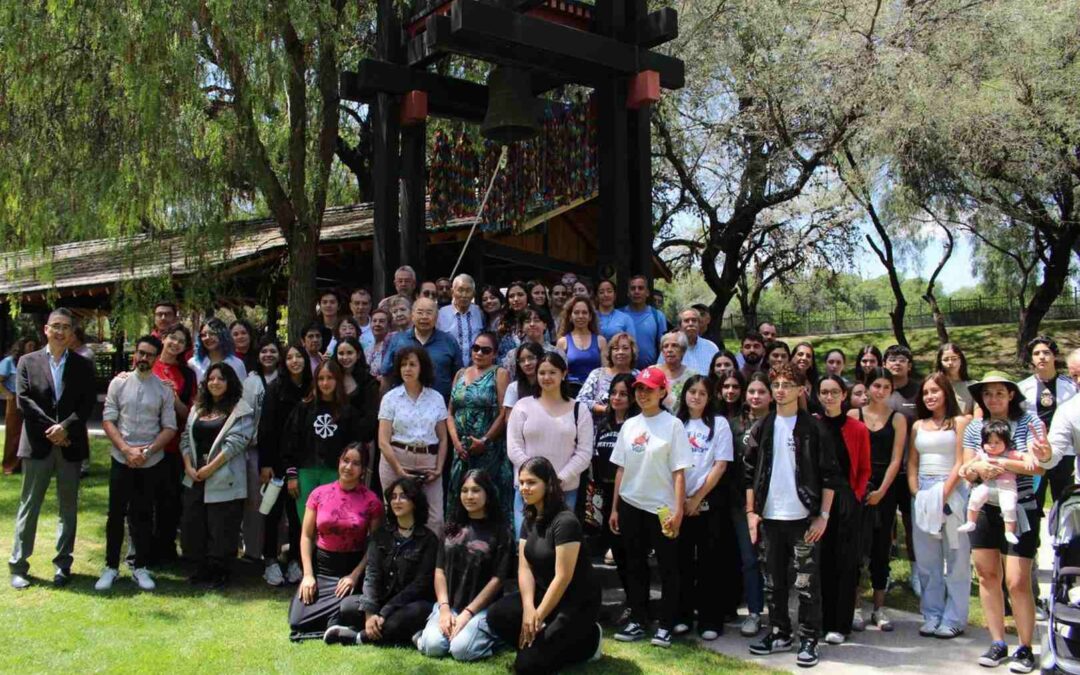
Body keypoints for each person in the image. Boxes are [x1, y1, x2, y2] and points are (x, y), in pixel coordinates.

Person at [744, 364, 841, 668]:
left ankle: (809, 638)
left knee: (806, 584)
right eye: (777, 384)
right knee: (773, 582)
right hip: (770, 518)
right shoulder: (763, 426)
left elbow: (830, 476)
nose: (781, 389)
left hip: (804, 519)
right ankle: (779, 632)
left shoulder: (814, 428)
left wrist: (823, 515)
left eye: (788, 384)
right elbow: (749, 474)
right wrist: (751, 512)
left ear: (801, 389)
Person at [960, 371, 1055, 672]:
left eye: (1000, 393)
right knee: (988, 576)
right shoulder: (975, 427)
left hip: (1020, 507)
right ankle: (998, 641)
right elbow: (966, 467)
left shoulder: (1030, 422)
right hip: (984, 508)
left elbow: (1039, 466)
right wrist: (977, 469)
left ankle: (1025, 647)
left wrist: (998, 463)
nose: (993, 399)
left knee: (1017, 581)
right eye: (987, 394)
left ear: (1011, 394)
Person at [487, 457, 603, 673]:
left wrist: (537, 616)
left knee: (526, 667)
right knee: (496, 615)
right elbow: (524, 568)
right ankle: (539, 643)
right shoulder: (529, 517)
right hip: (544, 594)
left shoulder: (565, 521)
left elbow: (563, 577)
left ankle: (590, 641)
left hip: (574, 602)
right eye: (521, 482)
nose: (524, 488)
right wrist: (529, 608)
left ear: (548, 484)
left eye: (531, 482)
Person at [8, 309, 96, 590]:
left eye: (66, 327)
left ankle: (63, 565)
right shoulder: (27, 361)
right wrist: (53, 429)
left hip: (70, 445)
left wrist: (65, 428)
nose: (60, 331)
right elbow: (24, 402)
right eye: (55, 326)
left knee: (67, 508)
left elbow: (86, 404)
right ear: (45, 329)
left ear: (72, 332)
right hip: (37, 444)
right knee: (29, 505)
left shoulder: (82, 365)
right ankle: (19, 566)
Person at [610, 366, 692, 648]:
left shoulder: (673, 425)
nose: (643, 394)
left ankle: (666, 624)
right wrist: (615, 508)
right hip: (631, 504)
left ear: (662, 392)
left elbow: (679, 471)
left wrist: (678, 510)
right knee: (635, 566)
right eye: (639, 389)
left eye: (649, 389)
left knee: (669, 568)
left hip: (662, 509)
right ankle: (638, 619)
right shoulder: (630, 425)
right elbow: (621, 468)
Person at [96, 335, 177, 592]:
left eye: (149, 354)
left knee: (143, 515)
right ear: (135, 354)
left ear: (156, 358)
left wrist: (147, 451)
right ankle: (110, 567)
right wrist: (126, 450)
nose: (144, 358)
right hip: (122, 458)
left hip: (151, 461)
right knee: (115, 515)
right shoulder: (118, 384)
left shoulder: (163, 389)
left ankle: (140, 566)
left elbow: (170, 427)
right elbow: (108, 420)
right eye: (140, 353)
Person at [323, 477, 439, 646]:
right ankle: (400, 635)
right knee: (347, 606)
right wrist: (370, 613)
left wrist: (384, 612)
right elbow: (372, 573)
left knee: (406, 617)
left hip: (409, 604)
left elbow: (420, 585)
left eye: (403, 496)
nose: (397, 501)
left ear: (415, 502)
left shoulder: (429, 540)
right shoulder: (380, 535)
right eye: (393, 497)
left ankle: (359, 637)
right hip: (382, 601)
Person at [288, 444, 384, 637]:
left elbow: (375, 544)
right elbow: (306, 536)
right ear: (339, 462)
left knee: (348, 608)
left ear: (363, 470)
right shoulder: (318, 494)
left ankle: (339, 622)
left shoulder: (372, 501)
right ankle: (337, 624)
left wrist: (354, 575)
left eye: (356, 463)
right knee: (296, 621)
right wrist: (308, 575)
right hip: (323, 570)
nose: (348, 467)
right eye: (345, 461)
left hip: (352, 572)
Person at [417, 469, 512, 662]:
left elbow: (498, 580)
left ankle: (497, 637)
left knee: (462, 651)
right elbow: (439, 571)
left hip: (482, 609)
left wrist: (468, 614)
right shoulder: (450, 528)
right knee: (433, 647)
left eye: (476, 490)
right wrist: (444, 608)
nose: (469, 496)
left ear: (488, 493)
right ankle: (426, 635)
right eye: (465, 490)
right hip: (449, 606)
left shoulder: (502, 532)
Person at [179, 362, 255, 588]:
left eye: (221, 378)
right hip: (195, 475)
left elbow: (237, 443)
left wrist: (210, 468)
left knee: (222, 526)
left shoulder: (241, 409)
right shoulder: (197, 408)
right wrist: (188, 467)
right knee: (195, 523)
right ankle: (200, 568)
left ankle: (220, 571)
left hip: (224, 475)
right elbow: (185, 438)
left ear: (230, 382)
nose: (215, 382)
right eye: (211, 378)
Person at [908, 373, 970, 639]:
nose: (930, 396)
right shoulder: (917, 426)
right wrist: (916, 493)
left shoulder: (959, 423)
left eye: (935, 391)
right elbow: (911, 463)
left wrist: (942, 495)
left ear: (945, 392)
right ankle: (932, 614)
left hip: (952, 493)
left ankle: (954, 617)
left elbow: (960, 461)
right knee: (927, 559)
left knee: (956, 558)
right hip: (922, 493)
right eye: (925, 393)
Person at [673, 375, 734, 640]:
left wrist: (696, 498)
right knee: (682, 563)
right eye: (692, 391)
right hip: (679, 504)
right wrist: (681, 502)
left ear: (710, 398)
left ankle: (711, 620)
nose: (696, 397)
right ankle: (683, 615)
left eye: (702, 393)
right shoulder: (676, 424)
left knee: (711, 564)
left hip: (708, 503)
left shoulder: (719, 424)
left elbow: (720, 465)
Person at [507, 352, 593, 536]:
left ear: (563, 374)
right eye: (542, 373)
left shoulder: (580, 409)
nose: (546, 377)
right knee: (524, 544)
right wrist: (535, 479)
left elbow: (584, 452)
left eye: (552, 372)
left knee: (558, 544)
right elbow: (514, 448)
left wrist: (557, 480)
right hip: (526, 490)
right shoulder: (522, 406)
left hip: (564, 490)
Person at [848, 367, 906, 631]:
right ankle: (856, 605)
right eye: (876, 386)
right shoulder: (853, 415)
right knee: (856, 547)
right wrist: (859, 488)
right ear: (867, 387)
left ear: (891, 390)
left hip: (885, 487)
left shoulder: (898, 419)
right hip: (858, 486)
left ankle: (879, 607)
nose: (880, 391)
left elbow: (897, 459)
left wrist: (882, 490)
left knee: (881, 548)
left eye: (886, 387)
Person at [815, 375, 871, 645]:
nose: (829, 397)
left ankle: (840, 624)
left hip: (847, 501)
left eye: (834, 392)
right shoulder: (813, 425)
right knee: (822, 562)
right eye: (824, 392)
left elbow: (864, 468)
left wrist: (856, 496)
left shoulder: (857, 428)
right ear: (817, 395)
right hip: (818, 503)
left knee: (846, 563)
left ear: (843, 395)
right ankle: (822, 621)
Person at [284, 360, 374, 522]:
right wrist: (292, 475)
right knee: (307, 522)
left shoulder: (348, 412)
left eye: (330, 378)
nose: (325, 383)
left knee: (332, 520)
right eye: (321, 378)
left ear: (338, 380)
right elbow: (291, 441)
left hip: (335, 473)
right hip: (306, 473)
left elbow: (356, 445)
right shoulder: (304, 408)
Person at [377, 347, 449, 533]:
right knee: (396, 515)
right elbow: (383, 441)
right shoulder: (390, 399)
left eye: (412, 364)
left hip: (429, 464)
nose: (407, 369)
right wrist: (399, 471)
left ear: (422, 367)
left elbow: (443, 438)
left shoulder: (436, 398)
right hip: (395, 461)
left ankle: (433, 562)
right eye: (403, 365)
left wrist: (439, 468)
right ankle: (397, 559)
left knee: (435, 519)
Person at [257, 343, 311, 586]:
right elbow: (265, 428)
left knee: (298, 513)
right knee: (273, 512)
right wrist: (265, 463)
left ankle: (295, 561)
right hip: (277, 462)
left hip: (304, 461)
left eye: (299, 356)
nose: (295, 361)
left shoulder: (312, 387)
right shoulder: (275, 388)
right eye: (290, 357)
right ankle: (269, 560)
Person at [447, 332, 511, 520]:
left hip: (488, 450)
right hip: (461, 450)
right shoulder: (460, 373)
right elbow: (450, 412)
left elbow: (503, 412)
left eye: (485, 350)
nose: (479, 353)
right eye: (476, 348)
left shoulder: (499, 373)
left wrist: (484, 440)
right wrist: (456, 443)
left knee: (486, 497)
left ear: (494, 353)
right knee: (459, 498)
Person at [589, 373, 637, 621]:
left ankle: (636, 604)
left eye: (623, 394)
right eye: (613, 394)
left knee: (628, 552)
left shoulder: (635, 425)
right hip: (603, 493)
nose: (617, 398)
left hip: (628, 494)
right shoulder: (603, 424)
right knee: (615, 553)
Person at [728, 371, 772, 636]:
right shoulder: (734, 425)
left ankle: (780, 614)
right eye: (752, 392)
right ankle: (754, 613)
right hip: (741, 504)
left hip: (776, 503)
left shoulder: (781, 423)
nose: (756, 396)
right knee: (749, 560)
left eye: (761, 392)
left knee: (777, 561)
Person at [1019, 336, 1077, 506]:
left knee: (1066, 501)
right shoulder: (1022, 388)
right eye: (1036, 353)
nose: (1042, 357)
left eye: (1046, 352)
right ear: (1031, 359)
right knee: (1034, 501)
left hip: (1066, 452)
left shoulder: (1072, 386)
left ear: (1055, 356)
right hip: (1034, 452)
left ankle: (1064, 533)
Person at [239, 335, 282, 562]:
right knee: (254, 502)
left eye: (273, 351)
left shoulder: (284, 378)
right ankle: (253, 550)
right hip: (255, 449)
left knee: (278, 502)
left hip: (281, 450)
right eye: (264, 351)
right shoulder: (251, 381)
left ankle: (276, 550)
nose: (268, 355)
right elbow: (245, 415)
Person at [382, 297, 463, 402]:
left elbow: (459, 376)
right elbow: (386, 375)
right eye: (420, 312)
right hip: (403, 406)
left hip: (441, 407)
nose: (424, 317)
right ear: (412, 315)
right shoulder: (398, 340)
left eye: (429, 313)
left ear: (437, 316)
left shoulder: (449, 341)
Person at [959, 420, 1024, 544]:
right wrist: (964, 468)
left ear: (1006, 442)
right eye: (988, 442)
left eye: (997, 442)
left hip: (1006, 487)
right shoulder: (983, 455)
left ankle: (1009, 531)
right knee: (975, 498)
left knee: (1009, 507)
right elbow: (970, 462)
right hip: (987, 485)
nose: (992, 446)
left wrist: (1030, 460)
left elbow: (1024, 457)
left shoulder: (1010, 454)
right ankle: (971, 522)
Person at [576, 331, 638, 421]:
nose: (620, 352)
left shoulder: (639, 376)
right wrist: (605, 409)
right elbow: (580, 401)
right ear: (610, 352)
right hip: (599, 429)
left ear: (632, 352)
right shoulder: (597, 374)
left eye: (625, 348)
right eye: (616, 348)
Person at [556, 296, 606, 397]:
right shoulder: (562, 342)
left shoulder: (601, 341)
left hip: (595, 393)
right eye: (576, 312)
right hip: (570, 393)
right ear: (570, 316)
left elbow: (605, 372)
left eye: (584, 312)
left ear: (590, 316)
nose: (580, 316)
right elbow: (558, 372)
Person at [620, 275, 667, 369]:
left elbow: (663, 346)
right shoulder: (619, 315)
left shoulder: (657, 316)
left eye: (640, 288)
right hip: (622, 371)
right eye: (633, 288)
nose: (636, 291)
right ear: (628, 293)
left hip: (649, 372)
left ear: (647, 293)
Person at [1, 337, 33, 475]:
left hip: (29, 399)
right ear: (22, 346)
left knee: (27, 432)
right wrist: (7, 394)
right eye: (29, 346)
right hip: (14, 399)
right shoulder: (9, 361)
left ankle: (23, 463)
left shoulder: (32, 361)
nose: (32, 349)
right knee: (13, 432)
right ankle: (9, 465)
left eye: (34, 346)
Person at [437, 274, 484, 367]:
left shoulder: (479, 312)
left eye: (468, 291)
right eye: (460, 290)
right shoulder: (441, 314)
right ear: (452, 292)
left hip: (476, 368)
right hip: (449, 368)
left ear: (473, 293)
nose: (464, 295)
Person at [189, 317, 247, 383]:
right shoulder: (193, 363)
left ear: (223, 335)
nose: (207, 337)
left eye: (212, 333)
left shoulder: (237, 364)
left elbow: (243, 391)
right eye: (203, 335)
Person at [669, 307, 718, 375]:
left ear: (699, 325)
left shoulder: (711, 347)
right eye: (686, 321)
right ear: (680, 326)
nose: (691, 323)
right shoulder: (669, 348)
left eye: (694, 320)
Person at [657, 331, 697, 413]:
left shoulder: (692, 375)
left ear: (683, 350)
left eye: (674, 345)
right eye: (665, 346)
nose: (669, 350)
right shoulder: (652, 371)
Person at [935, 342, 976, 416]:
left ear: (961, 360)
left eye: (954, 359)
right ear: (940, 362)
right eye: (946, 359)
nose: (950, 362)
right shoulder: (935, 386)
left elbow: (978, 417)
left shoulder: (973, 386)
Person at [503, 342, 543, 414]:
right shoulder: (513, 387)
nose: (527, 363)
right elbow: (509, 419)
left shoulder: (549, 385)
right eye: (522, 360)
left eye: (531, 358)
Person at [595, 279, 635, 344]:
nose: (606, 295)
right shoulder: (590, 316)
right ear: (596, 297)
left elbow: (632, 346)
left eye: (609, 291)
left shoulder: (625, 318)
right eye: (601, 292)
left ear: (615, 296)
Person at [366, 308, 392, 380]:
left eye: (381, 321)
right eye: (374, 321)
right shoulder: (368, 347)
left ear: (389, 325)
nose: (377, 324)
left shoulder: (392, 345)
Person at [349, 289, 376, 355]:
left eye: (364, 304)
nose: (360, 307)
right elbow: (329, 354)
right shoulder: (342, 327)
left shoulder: (377, 327)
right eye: (357, 303)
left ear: (370, 306)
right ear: (351, 306)